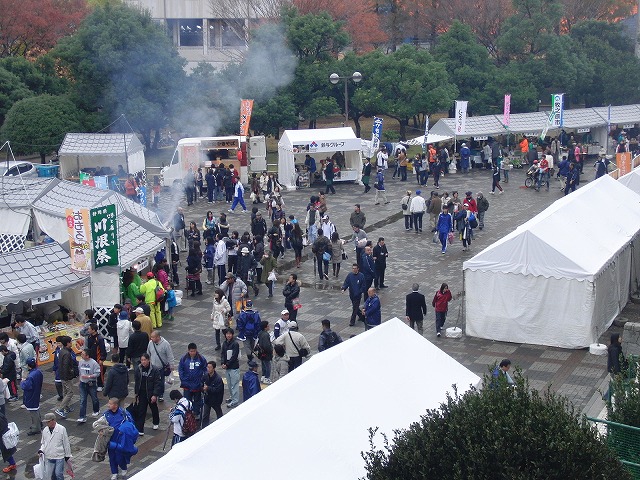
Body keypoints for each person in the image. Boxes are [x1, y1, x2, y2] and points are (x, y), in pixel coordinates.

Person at [102, 397, 137, 480]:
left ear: (116, 405)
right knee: (112, 457)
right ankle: (114, 473)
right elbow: (100, 424)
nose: (108, 405)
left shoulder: (124, 413)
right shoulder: (105, 414)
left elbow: (131, 425)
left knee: (119, 457)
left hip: (121, 440)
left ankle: (123, 468)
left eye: (110, 404)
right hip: (110, 439)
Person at [133, 353, 162, 435]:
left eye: (144, 360)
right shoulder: (138, 369)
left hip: (151, 393)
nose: (143, 362)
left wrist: (155, 394)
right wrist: (136, 393)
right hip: (142, 393)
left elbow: (157, 383)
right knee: (141, 410)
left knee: (153, 408)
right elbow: (137, 381)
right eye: (142, 360)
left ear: (148, 360)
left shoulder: (154, 370)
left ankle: (156, 422)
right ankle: (140, 429)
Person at [39, 412, 72, 480]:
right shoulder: (45, 430)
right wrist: (41, 450)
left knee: (58, 474)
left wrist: (67, 455)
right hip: (49, 456)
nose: (46, 423)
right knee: (52, 475)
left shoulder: (61, 429)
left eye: (48, 422)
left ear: (53, 420)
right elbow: (43, 443)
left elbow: (66, 443)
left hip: (59, 456)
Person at [178, 343, 207, 418]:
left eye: (194, 351)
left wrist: (203, 380)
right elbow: (180, 369)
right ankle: (188, 414)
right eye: (191, 351)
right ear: (188, 351)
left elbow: (205, 369)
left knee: (197, 400)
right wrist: (183, 379)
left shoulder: (201, 358)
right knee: (187, 400)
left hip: (197, 385)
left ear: (196, 350)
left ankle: (196, 413)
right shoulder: (184, 358)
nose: (192, 353)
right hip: (187, 385)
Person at [55, 336, 77, 418]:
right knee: (70, 392)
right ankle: (60, 409)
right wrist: (70, 374)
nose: (72, 343)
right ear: (68, 343)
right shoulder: (67, 353)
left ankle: (66, 407)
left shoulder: (62, 351)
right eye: (71, 342)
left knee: (65, 392)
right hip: (66, 376)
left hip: (62, 375)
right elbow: (66, 366)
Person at [77, 349, 101, 423]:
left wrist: (89, 377)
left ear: (87, 356)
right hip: (82, 383)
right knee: (82, 400)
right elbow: (80, 371)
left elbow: (97, 373)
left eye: (83, 354)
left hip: (91, 383)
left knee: (94, 398)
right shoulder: (81, 361)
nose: (81, 355)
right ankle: (82, 416)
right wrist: (79, 380)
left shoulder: (94, 363)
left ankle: (96, 410)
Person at [21, 358, 43, 435]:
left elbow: (27, 386)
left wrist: (22, 382)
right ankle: (39, 424)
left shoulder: (31, 376)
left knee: (33, 412)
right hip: (36, 393)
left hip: (31, 395)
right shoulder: (38, 372)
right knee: (36, 410)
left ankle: (36, 428)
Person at [220, 329, 240, 408]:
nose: (228, 335)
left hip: (234, 367)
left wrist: (227, 364)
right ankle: (232, 397)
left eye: (230, 334)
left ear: (232, 335)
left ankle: (235, 401)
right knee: (229, 384)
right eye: (227, 334)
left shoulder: (235, 344)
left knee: (234, 384)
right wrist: (222, 363)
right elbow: (222, 354)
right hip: (227, 367)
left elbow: (234, 356)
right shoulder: (224, 343)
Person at [201, 361, 224, 427]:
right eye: (207, 367)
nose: (208, 369)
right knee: (205, 415)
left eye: (209, 367)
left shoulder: (218, 379)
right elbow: (201, 383)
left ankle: (221, 425)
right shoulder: (205, 376)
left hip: (215, 400)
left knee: (219, 414)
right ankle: (204, 428)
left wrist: (208, 388)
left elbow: (218, 390)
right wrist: (203, 389)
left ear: (213, 368)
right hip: (207, 399)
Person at [86, 323, 108, 390]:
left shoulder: (99, 338)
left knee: (99, 371)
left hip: (98, 358)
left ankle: (100, 385)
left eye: (89, 329)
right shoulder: (89, 337)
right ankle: (92, 382)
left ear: (93, 330)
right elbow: (88, 348)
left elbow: (103, 349)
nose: (88, 330)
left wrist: (102, 359)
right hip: (91, 357)